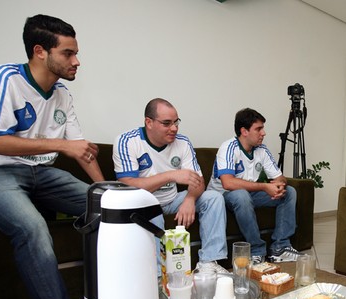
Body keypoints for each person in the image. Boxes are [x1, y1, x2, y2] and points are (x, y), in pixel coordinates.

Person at [0, 15, 109, 299]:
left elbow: (80, 149)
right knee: (32, 228)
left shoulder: (63, 94)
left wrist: (105, 193)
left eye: (76, 53)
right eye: (68, 53)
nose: (76, 61)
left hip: (42, 172)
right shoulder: (3, 78)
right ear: (40, 51)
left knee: (108, 210)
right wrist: (58, 145)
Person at [113, 98, 228, 274]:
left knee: (213, 198)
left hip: (173, 199)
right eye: (167, 123)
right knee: (153, 215)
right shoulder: (127, 141)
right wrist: (171, 175)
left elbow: (198, 181)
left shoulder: (182, 142)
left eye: (176, 122)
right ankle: (159, 276)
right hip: (144, 203)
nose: (174, 128)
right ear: (149, 122)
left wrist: (190, 198)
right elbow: (128, 186)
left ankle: (208, 264)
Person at [208, 108, 299, 264]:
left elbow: (280, 177)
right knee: (241, 195)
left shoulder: (261, 150)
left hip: (250, 194)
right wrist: (264, 187)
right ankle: (256, 250)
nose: (263, 133)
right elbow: (228, 183)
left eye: (262, 128)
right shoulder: (229, 148)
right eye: (258, 129)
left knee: (289, 192)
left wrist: (279, 185)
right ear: (244, 131)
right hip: (223, 196)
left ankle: (280, 247)